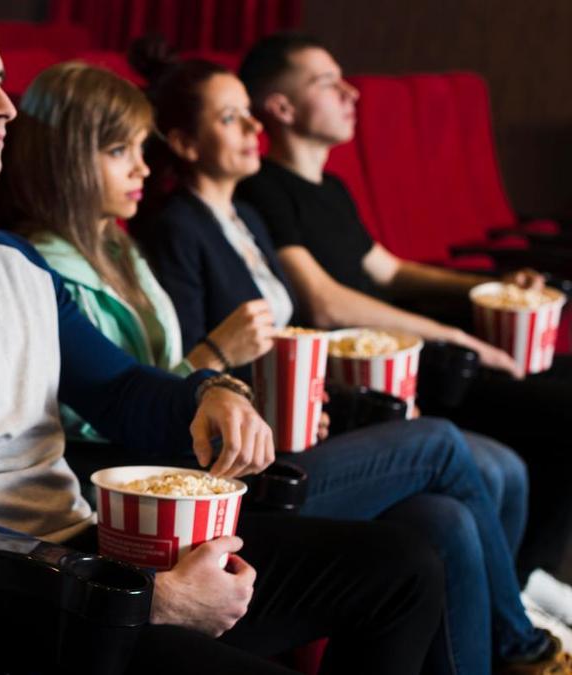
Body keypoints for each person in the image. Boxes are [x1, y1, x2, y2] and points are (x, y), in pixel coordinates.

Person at [0, 2, 446, 673]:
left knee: (406, 564)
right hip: (17, 604)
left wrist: (212, 393)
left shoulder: (13, 259)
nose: (5, 107)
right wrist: (140, 596)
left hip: (90, 547)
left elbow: (118, 386)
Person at [7, 58, 567, 675]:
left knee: (442, 518)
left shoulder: (121, 246)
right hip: (179, 483)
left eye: (142, 148)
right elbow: (109, 406)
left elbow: (165, 375)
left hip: (228, 451)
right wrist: (219, 366)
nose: (144, 165)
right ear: (67, 161)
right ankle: (523, 648)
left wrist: (256, 395)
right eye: (121, 151)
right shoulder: (45, 265)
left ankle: (504, 645)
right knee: (440, 445)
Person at [234, 32, 572, 597]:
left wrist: (486, 287)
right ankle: (520, 590)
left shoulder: (332, 187)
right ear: (282, 107)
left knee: (560, 382)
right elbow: (325, 300)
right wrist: (460, 336)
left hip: (412, 349)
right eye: (326, 82)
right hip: (369, 377)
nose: (352, 94)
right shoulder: (265, 190)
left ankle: (522, 588)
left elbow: (387, 269)